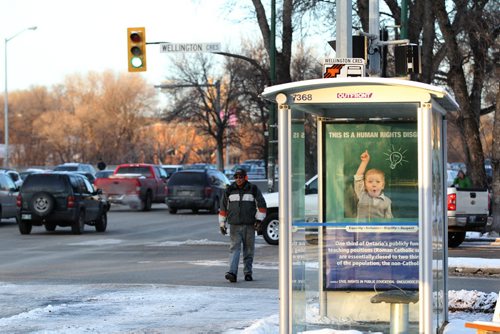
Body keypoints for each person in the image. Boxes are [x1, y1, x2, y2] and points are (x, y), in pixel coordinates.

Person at [219, 168, 267, 283]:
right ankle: (232, 273)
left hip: (250, 225)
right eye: (236, 177)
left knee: (249, 250)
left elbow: (262, 205)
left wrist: (259, 220)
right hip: (235, 225)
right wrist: (222, 223)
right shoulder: (229, 190)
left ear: (245, 177)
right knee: (234, 249)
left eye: (241, 177)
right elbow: (223, 208)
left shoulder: (253, 189)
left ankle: (248, 273)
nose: (238, 179)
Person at [354, 150, 393, 219]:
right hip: (362, 229)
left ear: (383, 185)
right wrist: (364, 162)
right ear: (365, 185)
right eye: (370, 181)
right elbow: (358, 178)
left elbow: (389, 220)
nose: (374, 184)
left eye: (378, 182)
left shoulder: (387, 201)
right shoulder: (361, 195)